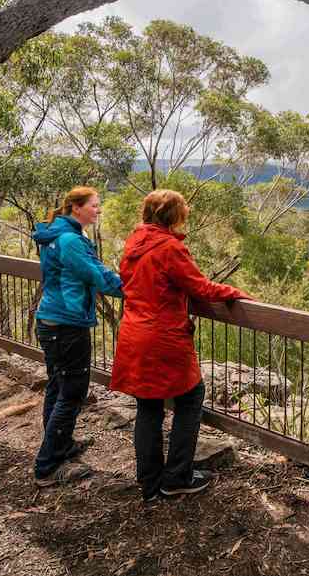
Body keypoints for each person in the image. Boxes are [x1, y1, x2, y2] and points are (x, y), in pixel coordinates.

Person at [110, 189, 251, 502]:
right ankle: (177, 477)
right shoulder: (169, 247)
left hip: (134, 332)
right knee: (191, 398)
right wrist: (233, 292)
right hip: (162, 336)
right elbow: (198, 285)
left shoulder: (134, 242)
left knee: (148, 406)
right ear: (173, 216)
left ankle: (149, 483)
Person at [30, 185, 124, 486]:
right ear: (76, 208)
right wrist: (138, 288)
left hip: (52, 320)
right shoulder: (70, 240)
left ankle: (61, 446)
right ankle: (47, 467)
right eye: (94, 205)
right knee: (71, 392)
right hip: (67, 324)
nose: (98, 210)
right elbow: (99, 277)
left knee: (58, 386)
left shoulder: (57, 234)